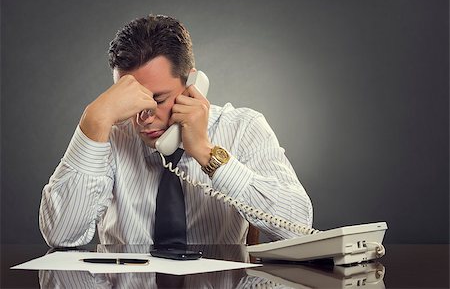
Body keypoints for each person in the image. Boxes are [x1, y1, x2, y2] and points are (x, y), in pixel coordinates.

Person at [39, 14, 313, 247]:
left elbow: (298, 226)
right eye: (132, 99)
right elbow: (61, 236)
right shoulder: (108, 134)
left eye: (157, 99)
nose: (144, 118)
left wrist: (207, 154)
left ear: (192, 83)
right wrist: (94, 121)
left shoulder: (243, 127)